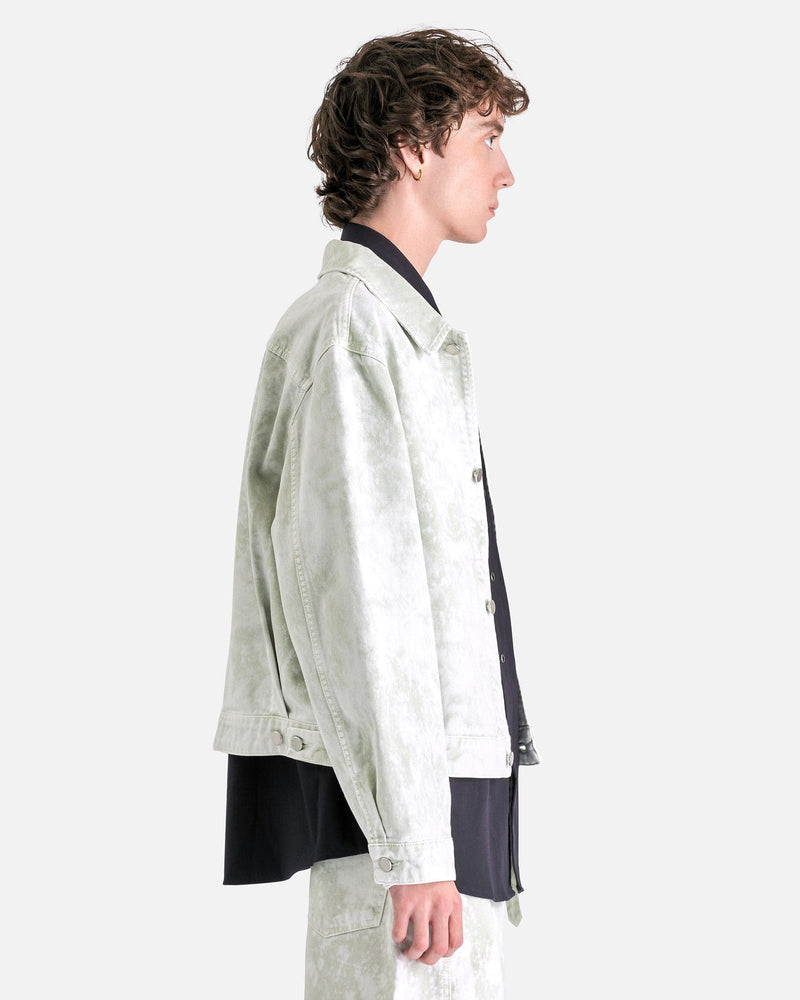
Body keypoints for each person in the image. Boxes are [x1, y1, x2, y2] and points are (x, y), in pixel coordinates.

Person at [213, 26, 541, 999]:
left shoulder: (398, 333)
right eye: (486, 137)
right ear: (412, 148)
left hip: (437, 804)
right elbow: (361, 600)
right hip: (402, 819)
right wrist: (414, 845)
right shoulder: (351, 333)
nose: (506, 171)